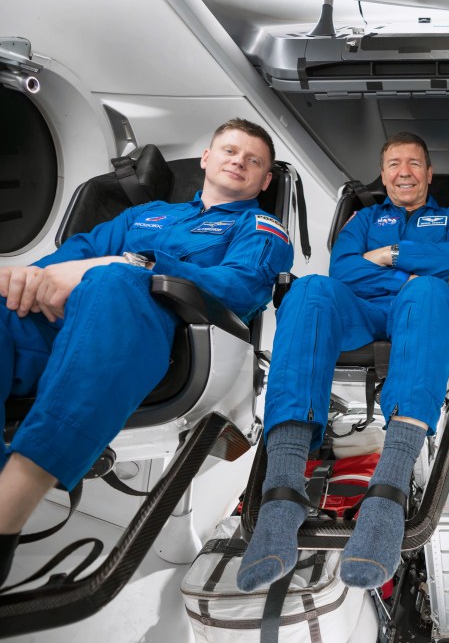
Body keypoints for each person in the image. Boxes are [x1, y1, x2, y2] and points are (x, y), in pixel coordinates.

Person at [0, 118, 293, 586]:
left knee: (115, 280)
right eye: (229, 151)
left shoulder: (261, 226)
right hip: (65, 327)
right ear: (206, 160)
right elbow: (75, 255)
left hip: (169, 342)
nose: (238, 160)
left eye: (253, 160)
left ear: (264, 180)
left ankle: (13, 501)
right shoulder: (148, 214)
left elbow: (241, 287)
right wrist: (29, 279)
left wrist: (135, 264)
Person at [237, 132, 449, 592]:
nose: (403, 171)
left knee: (430, 289)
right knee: (309, 289)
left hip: (421, 306)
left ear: (429, 174)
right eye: (393, 164)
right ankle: (282, 492)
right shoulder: (363, 217)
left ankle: (387, 492)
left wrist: (392, 255)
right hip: (360, 308)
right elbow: (344, 269)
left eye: (413, 163)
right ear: (383, 173)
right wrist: (417, 264)